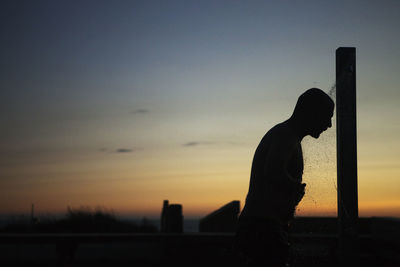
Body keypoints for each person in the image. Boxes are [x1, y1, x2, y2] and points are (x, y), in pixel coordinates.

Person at [234, 88, 334, 267]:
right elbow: (273, 171)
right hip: (262, 229)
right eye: (327, 116)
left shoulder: (287, 135)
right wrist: (296, 187)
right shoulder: (285, 136)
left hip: (262, 227)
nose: (329, 124)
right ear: (311, 113)